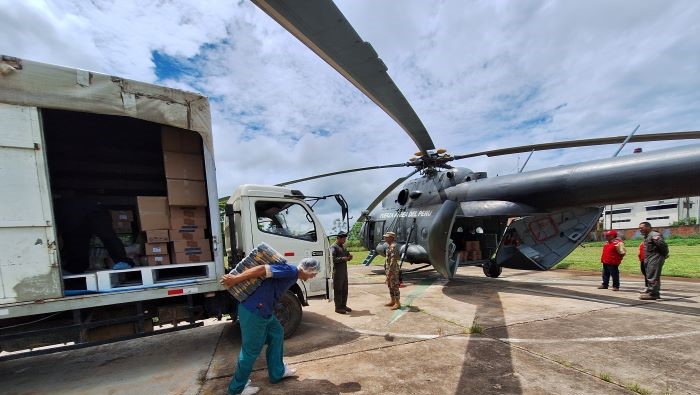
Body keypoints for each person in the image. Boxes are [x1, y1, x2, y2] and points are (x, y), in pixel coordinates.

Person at [221, 258, 320, 395]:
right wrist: (235, 279)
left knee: (277, 333)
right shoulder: (291, 271)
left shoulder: (293, 275)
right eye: (314, 273)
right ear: (307, 270)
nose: (314, 276)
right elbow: (262, 269)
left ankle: (277, 372)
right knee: (251, 350)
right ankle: (237, 388)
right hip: (254, 310)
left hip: (264, 310)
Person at [53, 196, 134, 274]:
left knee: (105, 236)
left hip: (91, 211)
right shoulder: (57, 208)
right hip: (81, 213)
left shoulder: (54, 209)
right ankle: (77, 267)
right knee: (79, 241)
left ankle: (122, 261)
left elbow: (58, 237)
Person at [638, 222, 669, 300]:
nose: (640, 230)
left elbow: (663, 246)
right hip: (649, 258)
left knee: (653, 276)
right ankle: (650, 290)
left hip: (655, 258)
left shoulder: (654, 235)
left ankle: (654, 294)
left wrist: (664, 255)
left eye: (642, 228)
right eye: (639, 228)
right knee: (650, 275)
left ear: (648, 227)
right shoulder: (647, 236)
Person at [330, 231, 353, 314]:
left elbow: (347, 254)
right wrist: (343, 259)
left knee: (345, 289)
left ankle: (343, 305)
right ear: (338, 238)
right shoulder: (334, 247)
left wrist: (349, 257)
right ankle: (338, 307)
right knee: (338, 290)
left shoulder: (343, 246)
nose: (344, 240)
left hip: (344, 271)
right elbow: (333, 259)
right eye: (343, 239)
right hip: (337, 272)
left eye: (345, 239)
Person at [383, 231, 401, 310]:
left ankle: (397, 303)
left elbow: (393, 261)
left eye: (387, 237)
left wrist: (390, 273)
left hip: (393, 269)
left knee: (395, 286)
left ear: (391, 238)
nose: (385, 238)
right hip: (389, 268)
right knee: (390, 285)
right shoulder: (388, 246)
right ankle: (392, 300)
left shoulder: (393, 246)